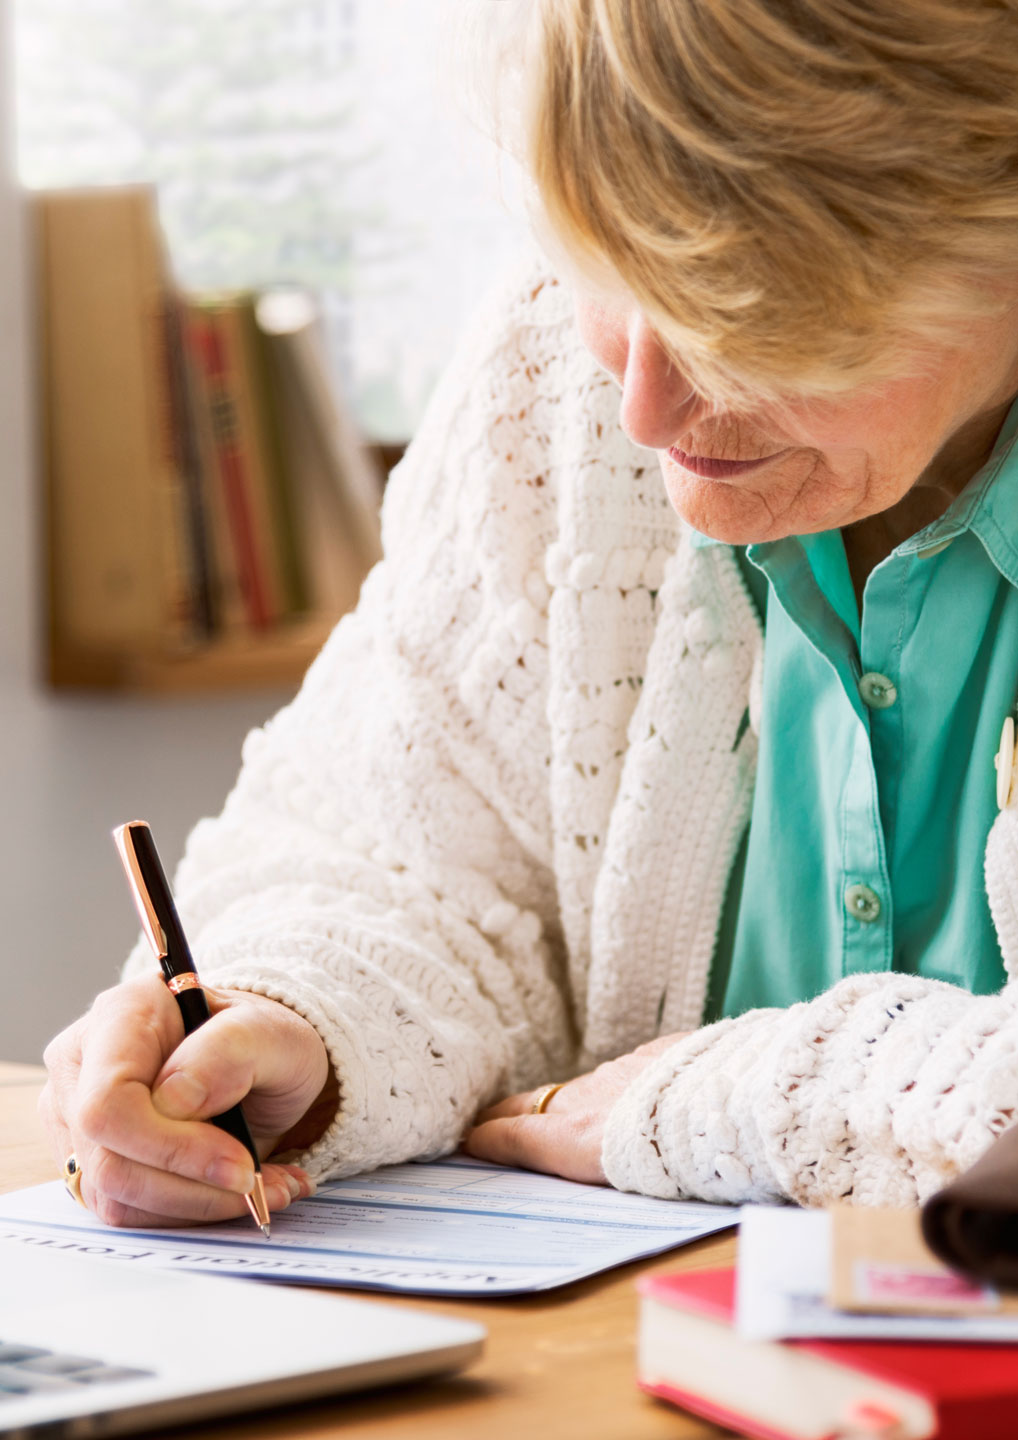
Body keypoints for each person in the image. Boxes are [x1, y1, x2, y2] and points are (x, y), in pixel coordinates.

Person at [40, 0, 1018, 1228]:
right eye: (605, 269)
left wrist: (734, 1103)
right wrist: (292, 1020)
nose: (642, 411)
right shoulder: (554, 376)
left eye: (753, 322)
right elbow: (390, 846)